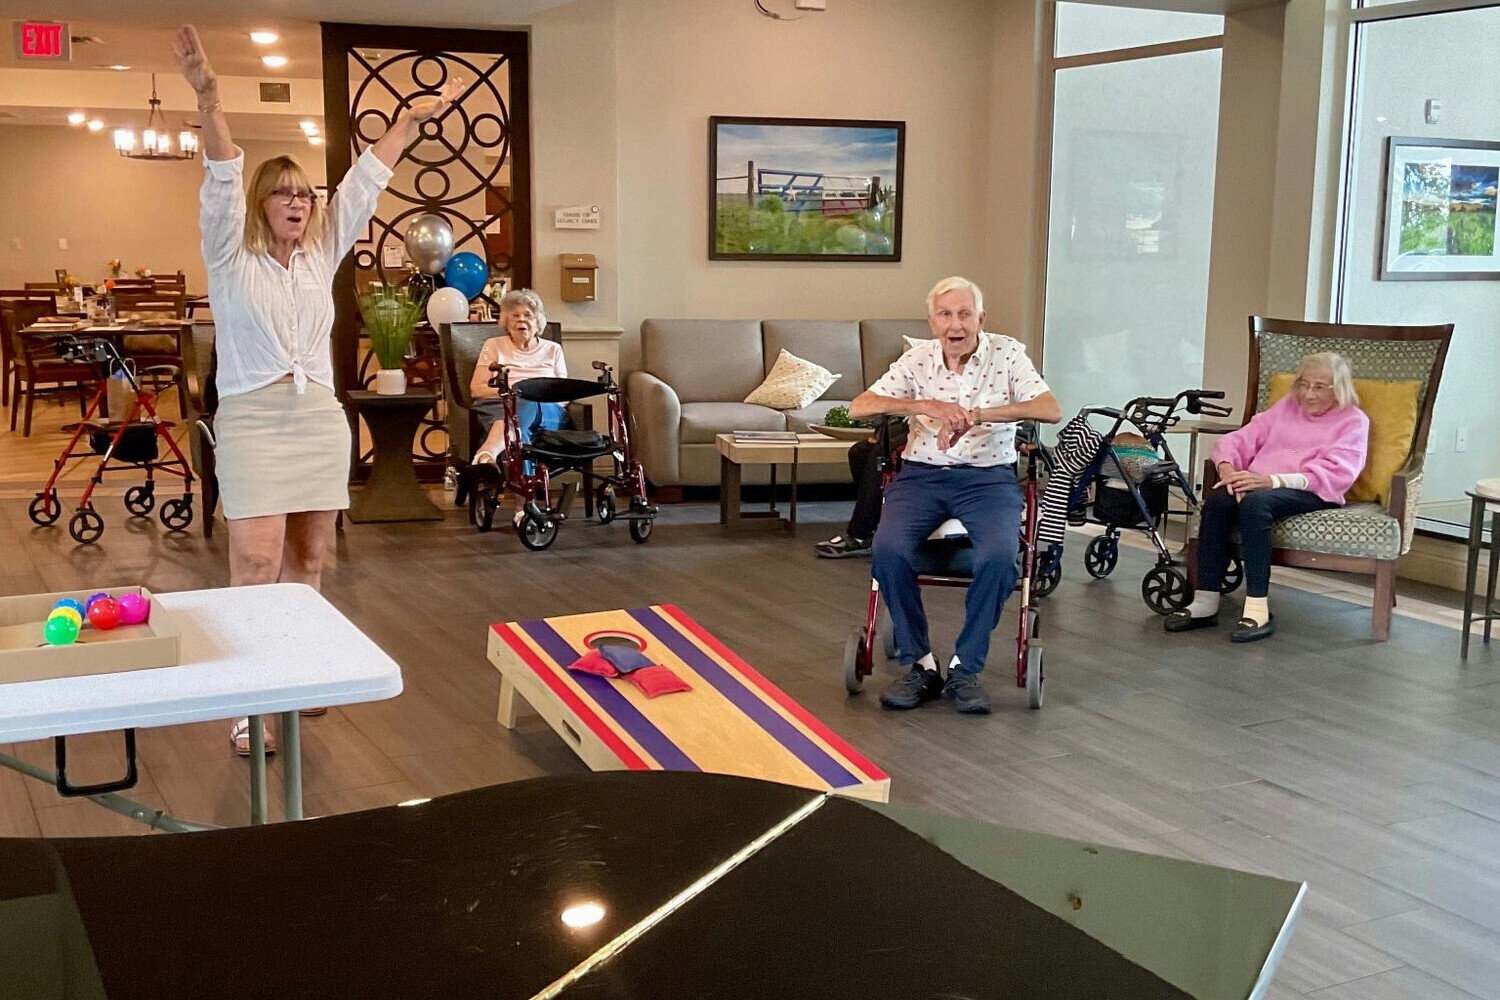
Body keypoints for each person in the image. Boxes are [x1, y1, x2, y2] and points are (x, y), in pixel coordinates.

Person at [174, 24, 463, 755]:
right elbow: (220, 175)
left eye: (306, 194)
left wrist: (408, 123)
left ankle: (298, 679)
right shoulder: (230, 256)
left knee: (310, 559)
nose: (299, 202)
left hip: (317, 421)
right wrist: (210, 99)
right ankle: (248, 703)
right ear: (263, 201)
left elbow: (367, 179)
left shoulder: (322, 253)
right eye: (286, 193)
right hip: (251, 420)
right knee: (256, 563)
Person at [850, 276, 1061, 714]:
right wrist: (925, 406)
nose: (955, 324)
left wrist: (977, 414)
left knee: (1001, 559)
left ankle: (966, 667)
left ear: (980, 319)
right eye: (945, 314)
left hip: (988, 478)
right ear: (932, 322)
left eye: (965, 314)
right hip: (922, 474)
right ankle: (921, 664)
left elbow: (1048, 408)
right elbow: (861, 405)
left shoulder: (1007, 354)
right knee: (887, 550)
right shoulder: (917, 360)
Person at [1166, 351, 1369, 642]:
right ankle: (1206, 600)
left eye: (1320, 387)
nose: (1309, 394)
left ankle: (1257, 608)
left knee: (1256, 504)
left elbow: (1337, 473)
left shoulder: (1353, 421)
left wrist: (1269, 482)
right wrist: (1227, 472)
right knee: (1220, 500)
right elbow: (1238, 440)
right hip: (1258, 483)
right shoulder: (1287, 407)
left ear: (1339, 389)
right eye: (1304, 384)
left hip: (1311, 489)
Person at [467, 287, 567, 463]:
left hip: (548, 411)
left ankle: (486, 452)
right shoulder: (493, 345)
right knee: (521, 433)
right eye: (515, 315)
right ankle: (526, 486)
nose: (521, 319)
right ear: (506, 321)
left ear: (538, 323)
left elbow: (564, 395)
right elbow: (476, 389)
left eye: (528, 315)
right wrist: (512, 393)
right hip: (503, 404)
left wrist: (531, 396)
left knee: (525, 404)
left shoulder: (553, 349)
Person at [814, 419, 906, 559]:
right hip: (913, 422)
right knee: (859, 451)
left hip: (933, 431)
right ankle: (873, 517)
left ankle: (860, 536)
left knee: (880, 455)